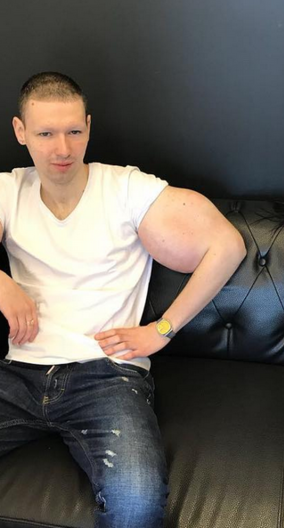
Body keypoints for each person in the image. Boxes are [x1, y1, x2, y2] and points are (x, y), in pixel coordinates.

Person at [0, 72, 246, 527]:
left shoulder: (127, 188)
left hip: (106, 376)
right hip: (16, 375)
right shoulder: (8, 190)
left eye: (74, 131)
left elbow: (228, 245)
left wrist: (163, 329)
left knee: (137, 505)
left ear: (89, 127)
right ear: (20, 131)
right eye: (46, 134)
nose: (62, 149)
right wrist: (1, 283)